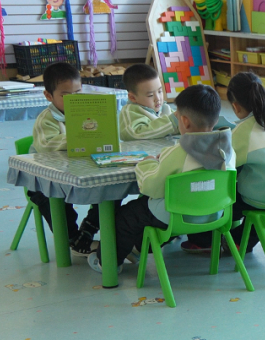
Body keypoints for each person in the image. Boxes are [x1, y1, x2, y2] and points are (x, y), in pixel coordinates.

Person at [88, 85, 236, 274]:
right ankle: (139, 248)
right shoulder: (228, 149)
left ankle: (107, 264)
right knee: (148, 208)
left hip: (177, 217)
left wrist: (147, 163)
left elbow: (150, 188)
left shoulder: (177, 153)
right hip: (215, 213)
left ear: (184, 121)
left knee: (126, 216)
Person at [181, 72, 265, 254]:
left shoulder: (243, 132)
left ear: (235, 106)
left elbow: (220, 164)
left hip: (262, 201)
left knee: (217, 195)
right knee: (257, 183)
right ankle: (240, 241)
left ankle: (203, 240)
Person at [27, 62, 88, 254]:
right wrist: (80, 138)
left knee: (110, 192)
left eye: (77, 93)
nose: (73, 100)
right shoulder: (46, 119)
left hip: (77, 172)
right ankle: (70, 238)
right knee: (51, 198)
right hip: (43, 179)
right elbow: (46, 145)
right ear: (49, 95)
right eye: (65, 95)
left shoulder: (86, 113)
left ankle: (89, 228)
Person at [118, 64, 177, 141]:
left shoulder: (165, 108)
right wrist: (171, 122)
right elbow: (133, 134)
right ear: (133, 97)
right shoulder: (130, 111)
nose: (158, 99)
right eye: (150, 95)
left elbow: (178, 125)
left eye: (160, 91)